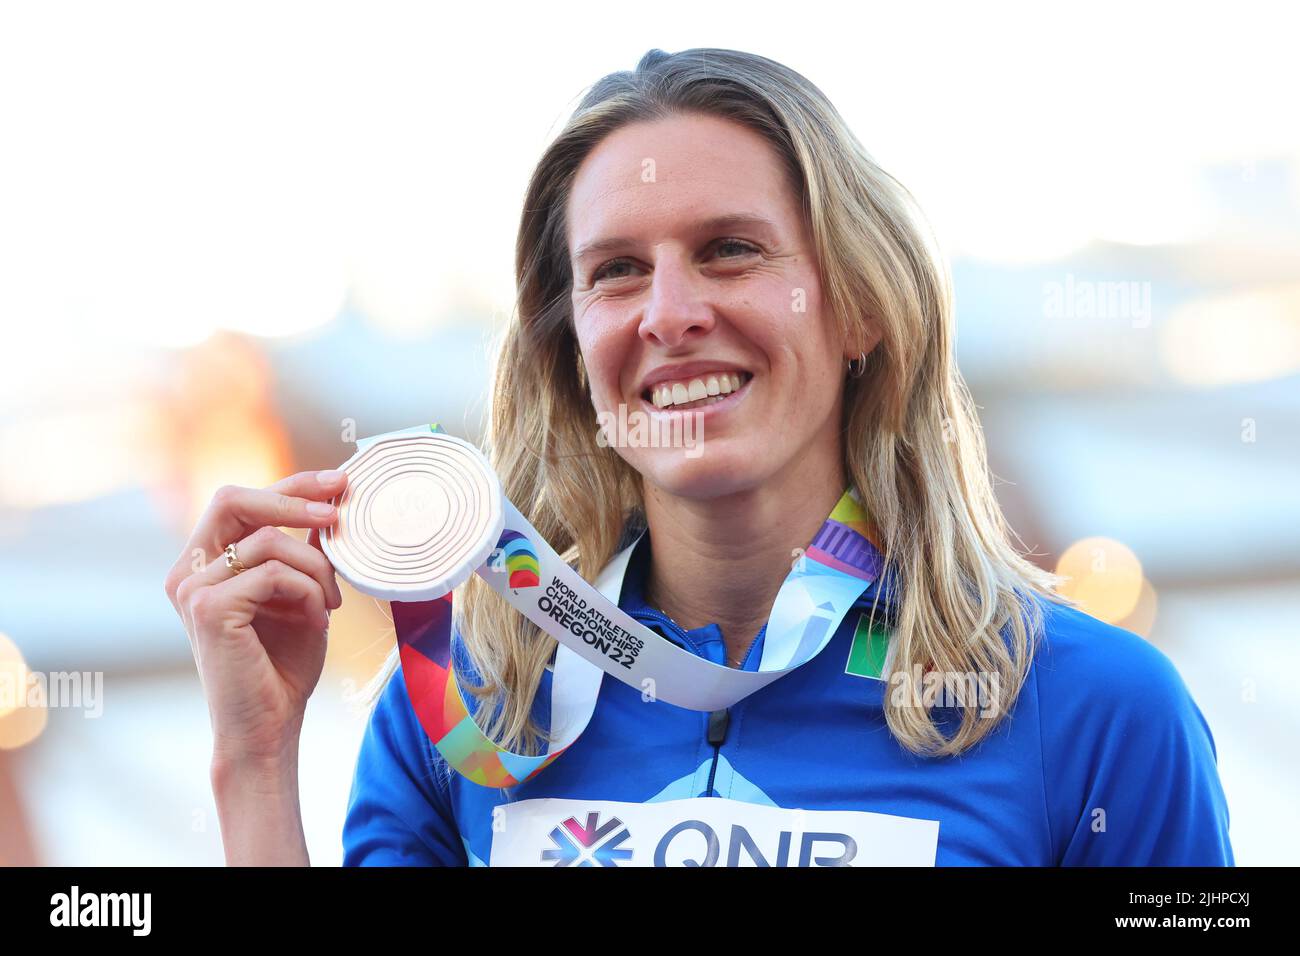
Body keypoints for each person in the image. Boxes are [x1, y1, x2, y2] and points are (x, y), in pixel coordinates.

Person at [164, 47, 1233, 866]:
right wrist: (254, 760)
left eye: (730, 249)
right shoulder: (464, 704)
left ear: (860, 304)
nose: (671, 314)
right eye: (618, 271)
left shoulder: (1087, 702)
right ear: (570, 349)